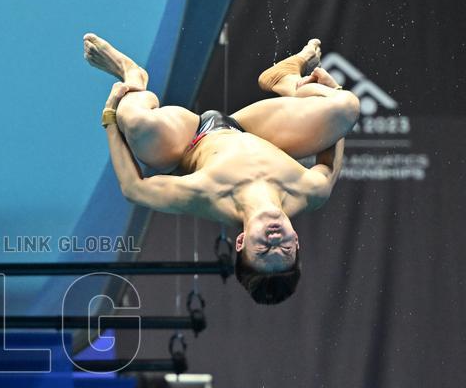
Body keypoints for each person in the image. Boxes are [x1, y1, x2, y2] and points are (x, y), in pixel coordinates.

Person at [83, 34, 360, 303]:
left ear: (241, 242)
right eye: (285, 248)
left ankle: (132, 76)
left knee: (138, 125)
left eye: (263, 249)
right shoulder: (311, 191)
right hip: (260, 130)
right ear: (296, 240)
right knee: (347, 107)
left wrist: (110, 117)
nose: (274, 239)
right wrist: (331, 91)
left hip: (190, 139)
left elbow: (134, 189)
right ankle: (287, 80)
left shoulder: (206, 197)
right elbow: (330, 154)